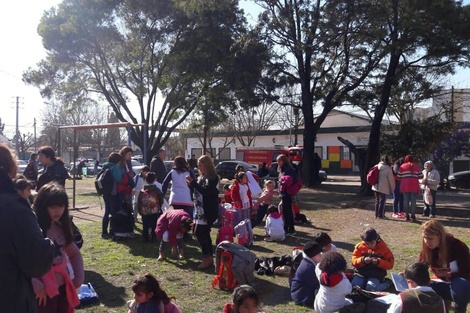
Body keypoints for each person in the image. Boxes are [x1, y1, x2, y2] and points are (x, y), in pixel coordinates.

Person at [0, 143, 54, 313]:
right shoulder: (14, 208)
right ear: (10, 169)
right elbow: (35, 262)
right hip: (10, 298)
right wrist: (49, 245)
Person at [33, 183, 84, 313]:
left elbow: (74, 253)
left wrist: (78, 277)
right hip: (42, 291)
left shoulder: (61, 226)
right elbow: (19, 260)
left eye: (61, 206)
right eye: (53, 207)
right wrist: (33, 282)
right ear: (42, 206)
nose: (58, 211)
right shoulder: (32, 229)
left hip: (63, 287)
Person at [419, 220, 470, 313]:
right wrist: (410, 273)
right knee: (421, 286)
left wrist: (449, 274)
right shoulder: (427, 248)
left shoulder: (457, 246)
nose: (427, 242)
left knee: (460, 284)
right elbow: (420, 266)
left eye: (430, 238)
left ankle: (459, 310)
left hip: (460, 283)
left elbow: (467, 272)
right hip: (440, 281)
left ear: (439, 235)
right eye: (424, 238)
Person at [186, 155, 220, 270]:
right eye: (198, 165)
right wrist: (191, 185)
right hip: (199, 209)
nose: (199, 167)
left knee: (199, 232)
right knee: (203, 233)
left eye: (201, 165)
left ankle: (207, 257)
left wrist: (194, 184)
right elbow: (198, 191)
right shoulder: (202, 177)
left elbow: (206, 191)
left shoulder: (213, 178)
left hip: (207, 210)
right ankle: (209, 257)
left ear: (207, 165)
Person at [351, 227, 394, 291]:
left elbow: (390, 264)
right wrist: (362, 260)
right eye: (367, 243)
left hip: (376, 275)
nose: (369, 245)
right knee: (355, 286)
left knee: (370, 288)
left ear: (376, 239)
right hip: (361, 273)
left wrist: (378, 262)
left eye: (372, 243)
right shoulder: (359, 247)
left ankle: (387, 283)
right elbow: (354, 261)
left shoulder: (383, 248)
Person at [290, 241, 323, 307]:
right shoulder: (309, 268)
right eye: (319, 253)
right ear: (313, 255)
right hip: (303, 297)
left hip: (300, 292)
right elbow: (322, 283)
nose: (321, 255)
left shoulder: (308, 261)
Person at [100, 152, 123, 238]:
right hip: (113, 193)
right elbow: (119, 179)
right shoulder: (114, 168)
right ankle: (113, 231)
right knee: (113, 212)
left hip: (105, 192)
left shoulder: (104, 166)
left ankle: (104, 231)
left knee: (106, 212)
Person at [137, 172, 165, 243]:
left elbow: (139, 200)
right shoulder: (156, 189)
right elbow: (161, 198)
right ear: (154, 179)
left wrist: (139, 210)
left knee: (145, 225)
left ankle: (145, 238)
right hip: (154, 210)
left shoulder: (142, 190)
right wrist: (159, 206)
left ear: (145, 180)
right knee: (154, 224)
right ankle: (153, 237)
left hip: (144, 211)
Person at [397, 155, 423, 222]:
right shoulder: (416, 166)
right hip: (414, 186)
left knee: (406, 201)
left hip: (405, 185)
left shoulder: (402, 166)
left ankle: (407, 215)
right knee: (413, 201)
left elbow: (398, 176)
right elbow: (421, 176)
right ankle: (413, 216)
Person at [277, 154, 297, 235]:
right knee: (287, 210)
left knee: (286, 211)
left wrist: (282, 182)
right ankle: (290, 228)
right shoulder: (284, 169)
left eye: (279, 161)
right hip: (285, 192)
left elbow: (291, 180)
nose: (278, 163)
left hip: (287, 193)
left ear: (283, 161)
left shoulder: (287, 170)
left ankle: (287, 228)